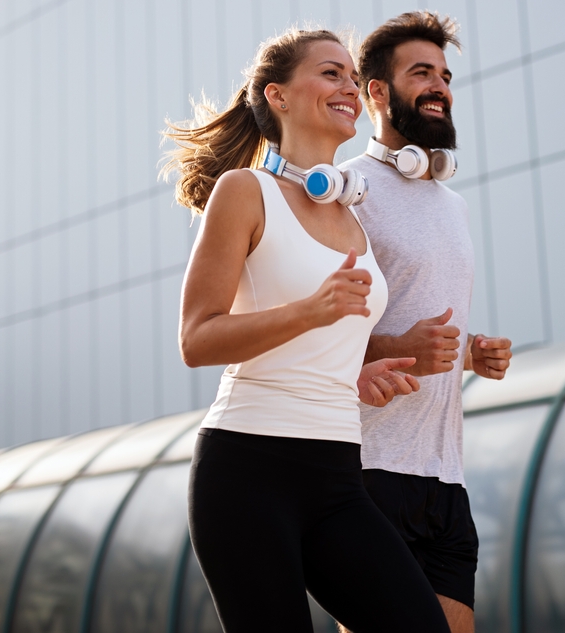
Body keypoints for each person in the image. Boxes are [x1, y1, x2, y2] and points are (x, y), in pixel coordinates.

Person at [162, 28, 452, 633]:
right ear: (279, 96)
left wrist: (356, 370)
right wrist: (310, 312)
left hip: (338, 477)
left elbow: (321, 347)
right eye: (330, 72)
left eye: (352, 75)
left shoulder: (352, 215)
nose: (349, 85)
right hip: (247, 470)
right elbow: (197, 339)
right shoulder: (244, 192)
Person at [339, 12, 514, 633]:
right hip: (367, 471)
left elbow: (423, 317)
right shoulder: (346, 190)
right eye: (422, 73)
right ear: (376, 92)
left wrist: (472, 350)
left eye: (444, 74)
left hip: (445, 476)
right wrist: (399, 346)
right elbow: (311, 332)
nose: (439, 85)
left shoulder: (454, 205)